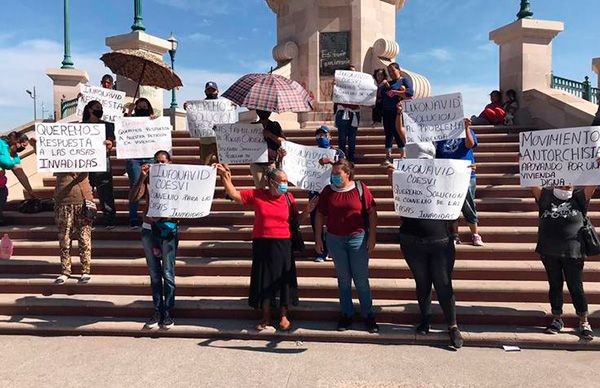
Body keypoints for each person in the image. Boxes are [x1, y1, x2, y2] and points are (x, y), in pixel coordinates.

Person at [217, 164, 317, 331]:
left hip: (283, 242)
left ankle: (284, 314)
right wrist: (225, 177)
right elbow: (234, 195)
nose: (285, 184)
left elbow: (296, 221)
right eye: (282, 181)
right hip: (262, 242)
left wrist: (307, 211)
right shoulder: (258, 194)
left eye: (286, 181)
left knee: (283, 279)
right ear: (271, 182)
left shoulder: (288, 197)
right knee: (264, 278)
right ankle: (266, 315)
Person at [386, 161, 465, 349]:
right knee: (422, 282)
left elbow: (458, 196)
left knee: (443, 282)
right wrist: (393, 175)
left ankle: (453, 326)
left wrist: (463, 175)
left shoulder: (444, 184)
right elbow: (398, 189)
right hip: (412, 241)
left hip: (440, 241)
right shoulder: (407, 184)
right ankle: (425, 319)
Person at [29, 136, 112, 286]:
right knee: (64, 239)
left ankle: (85, 270)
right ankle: (65, 271)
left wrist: (106, 147)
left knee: (84, 238)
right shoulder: (58, 157)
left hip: (84, 201)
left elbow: (100, 156)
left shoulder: (86, 156)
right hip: (63, 202)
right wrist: (35, 145)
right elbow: (44, 156)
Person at [315, 159, 379, 333]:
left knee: (361, 279)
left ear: (347, 173)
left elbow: (372, 212)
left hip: (357, 239)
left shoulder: (360, 188)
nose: (334, 176)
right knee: (343, 279)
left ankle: (368, 315)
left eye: (337, 173)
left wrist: (372, 236)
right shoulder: (328, 191)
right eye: (332, 173)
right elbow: (320, 214)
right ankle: (347, 314)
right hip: (335, 240)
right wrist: (318, 238)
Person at [532, 185, 594, 341]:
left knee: (576, 286)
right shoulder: (545, 195)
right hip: (549, 250)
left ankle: (584, 321)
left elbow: (592, 185)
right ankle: (557, 318)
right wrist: (524, 161)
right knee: (555, 284)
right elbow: (531, 180)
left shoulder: (579, 196)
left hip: (573, 251)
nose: (566, 182)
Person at [130, 150, 178, 329]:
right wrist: (142, 178)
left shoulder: (177, 181)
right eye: (156, 162)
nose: (160, 165)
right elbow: (134, 197)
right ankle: (157, 310)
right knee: (154, 274)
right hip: (149, 230)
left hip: (168, 230)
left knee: (168, 273)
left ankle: (168, 311)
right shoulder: (148, 180)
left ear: (170, 163)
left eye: (163, 162)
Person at [436, 119, 484, 246]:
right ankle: (454, 235)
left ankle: (475, 234)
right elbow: (438, 156)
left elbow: (470, 144)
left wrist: (466, 128)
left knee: (469, 204)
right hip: (448, 175)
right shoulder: (440, 137)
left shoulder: (467, 131)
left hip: (466, 174)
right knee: (451, 204)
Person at [310, 125, 345, 262]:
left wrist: (331, 162)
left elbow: (346, 169)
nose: (321, 138)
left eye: (324, 135)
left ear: (330, 137)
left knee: (333, 222)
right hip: (315, 191)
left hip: (333, 191)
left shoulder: (338, 152)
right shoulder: (310, 152)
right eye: (318, 135)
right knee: (316, 222)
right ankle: (320, 250)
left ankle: (332, 249)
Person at [82, 100, 116, 229]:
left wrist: (109, 144)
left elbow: (111, 142)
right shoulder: (81, 126)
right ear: (90, 110)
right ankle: (86, 219)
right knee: (86, 191)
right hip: (85, 162)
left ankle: (109, 219)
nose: (100, 110)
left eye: (101, 108)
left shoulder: (108, 125)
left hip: (102, 160)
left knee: (105, 191)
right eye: (97, 107)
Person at [126, 98, 156, 229]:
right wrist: (129, 113)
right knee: (135, 186)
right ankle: (133, 218)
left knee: (150, 187)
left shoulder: (153, 120)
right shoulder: (129, 120)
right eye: (140, 106)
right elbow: (122, 128)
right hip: (134, 158)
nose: (142, 108)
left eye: (144, 106)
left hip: (150, 157)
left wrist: (156, 121)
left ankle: (151, 215)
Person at [381, 63, 413, 166]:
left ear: (399, 70)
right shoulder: (388, 83)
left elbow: (410, 93)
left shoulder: (404, 80)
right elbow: (383, 94)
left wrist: (396, 92)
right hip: (386, 110)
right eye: (389, 72)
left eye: (393, 71)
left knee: (398, 132)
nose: (391, 73)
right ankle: (387, 156)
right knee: (388, 133)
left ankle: (403, 155)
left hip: (398, 110)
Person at [184, 81, 222, 165]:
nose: (211, 92)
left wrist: (231, 106)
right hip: (205, 141)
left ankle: (226, 178)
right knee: (204, 166)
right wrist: (188, 107)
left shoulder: (224, 105)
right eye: (209, 90)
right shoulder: (198, 106)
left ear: (217, 91)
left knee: (224, 166)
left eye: (213, 90)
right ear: (205, 92)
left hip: (220, 141)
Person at [249, 110, 285, 189]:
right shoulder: (252, 126)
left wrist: (270, 135)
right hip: (256, 162)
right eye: (260, 111)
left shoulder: (275, 125)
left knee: (273, 188)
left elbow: (283, 142)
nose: (263, 113)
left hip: (270, 162)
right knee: (260, 189)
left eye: (266, 112)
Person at [0, 131, 37, 202]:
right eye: (23, 145)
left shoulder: (15, 158)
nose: (24, 148)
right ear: (17, 142)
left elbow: (21, 175)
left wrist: (30, 191)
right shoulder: (1, 144)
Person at [334, 65, 360, 163]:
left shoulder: (359, 84)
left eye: (354, 72)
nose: (352, 73)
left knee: (352, 137)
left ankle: (351, 158)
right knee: (342, 136)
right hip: (342, 112)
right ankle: (342, 158)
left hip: (354, 113)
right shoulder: (339, 84)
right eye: (350, 72)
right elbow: (334, 97)